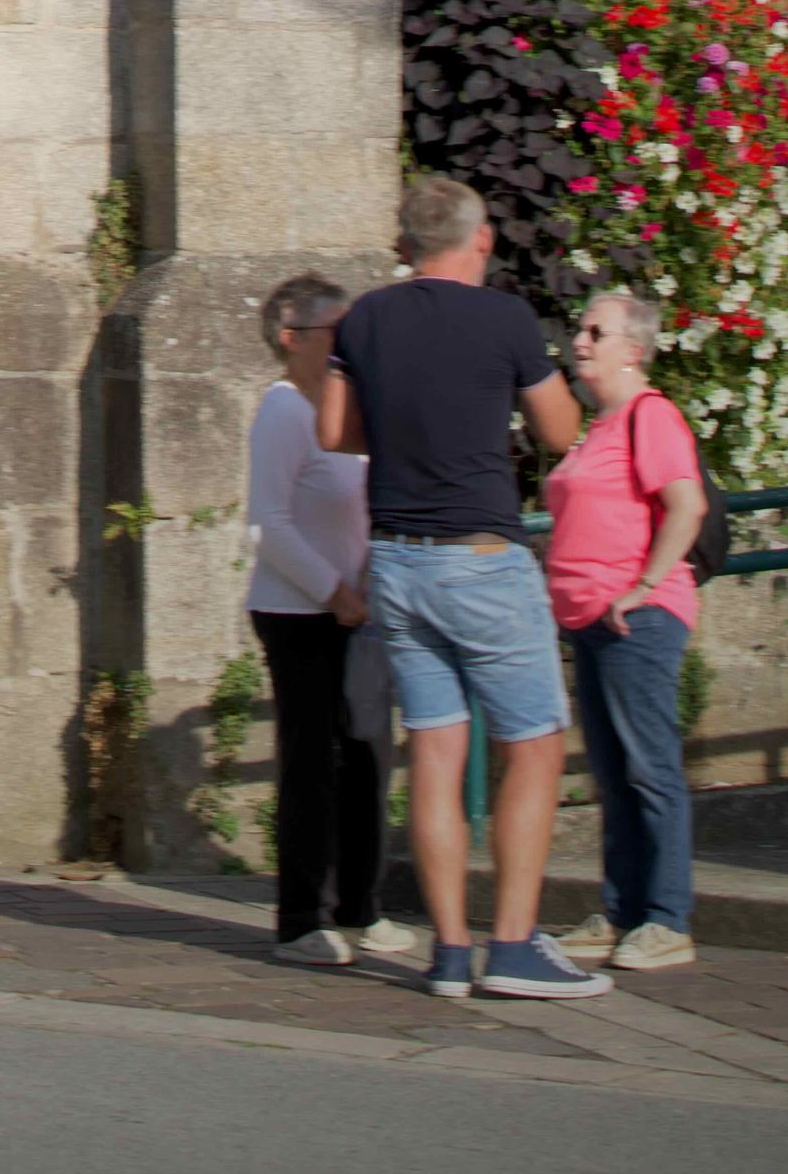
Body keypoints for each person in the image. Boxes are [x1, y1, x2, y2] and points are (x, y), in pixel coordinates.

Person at [315, 176, 606, 1002]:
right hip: (481, 556)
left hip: (397, 559)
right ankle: (510, 945)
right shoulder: (505, 319)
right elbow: (560, 430)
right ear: (480, 239)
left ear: (407, 244)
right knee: (534, 744)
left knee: (435, 753)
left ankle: (447, 952)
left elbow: (333, 431)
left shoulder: (365, 318)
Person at [245, 274, 416, 968]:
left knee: (368, 755)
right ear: (293, 339)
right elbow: (268, 522)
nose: (351, 344)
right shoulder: (283, 410)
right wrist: (334, 592)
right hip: (298, 613)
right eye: (336, 332)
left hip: (360, 611)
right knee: (312, 760)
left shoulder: (349, 408)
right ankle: (299, 919)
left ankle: (360, 905)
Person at [543, 288, 708, 972]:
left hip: (636, 619)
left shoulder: (651, 415)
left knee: (649, 766)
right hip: (590, 619)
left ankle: (667, 918)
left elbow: (686, 506)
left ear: (633, 350)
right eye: (581, 330)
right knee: (614, 773)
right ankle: (622, 911)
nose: (579, 342)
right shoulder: (599, 425)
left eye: (596, 332)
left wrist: (641, 587)